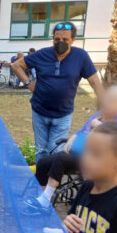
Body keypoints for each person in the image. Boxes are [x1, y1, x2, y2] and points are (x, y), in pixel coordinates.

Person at [24, 85, 117, 214]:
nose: (107, 103)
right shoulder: (99, 114)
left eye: (113, 101)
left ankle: (46, 198)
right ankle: (42, 200)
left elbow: (112, 138)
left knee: (61, 158)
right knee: (43, 162)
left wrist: (98, 125)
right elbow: (82, 129)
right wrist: (71, 139)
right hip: (78, 150)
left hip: (94, 157)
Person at [11, 22, 104, 163]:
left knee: (56, 151)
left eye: (65, 40)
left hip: (62, 115)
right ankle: (41, 183)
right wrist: (29, 83)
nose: (61, 42)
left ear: (73, 40)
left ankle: (52, 184)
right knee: (41, 150)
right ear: (53, 39)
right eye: (57, 39)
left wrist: (105, 103)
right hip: (39, 112)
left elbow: (94, 81)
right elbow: (17, 65)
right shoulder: (43, 54)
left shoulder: (81, 56)